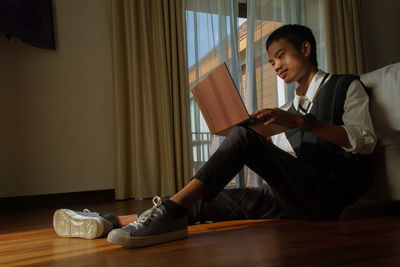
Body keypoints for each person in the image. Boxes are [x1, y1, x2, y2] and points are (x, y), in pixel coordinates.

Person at [53, 24, 376, 248]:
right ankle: (111, 221)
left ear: (305, 49)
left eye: (281, 55)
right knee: (218, 199)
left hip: (326, 199)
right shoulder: (289, 108)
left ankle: (169, 213)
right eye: (271, 60)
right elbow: (286, 157)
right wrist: (252, 134)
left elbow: (363, 141)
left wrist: (301, 123)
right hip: (295, 198)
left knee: (244, 138)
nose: (276, 65)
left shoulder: (346, 86)